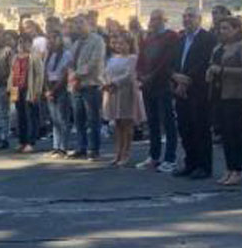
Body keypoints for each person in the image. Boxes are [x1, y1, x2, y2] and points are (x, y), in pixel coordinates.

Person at [207, 17, 242, 186]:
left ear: (236, 29)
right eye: (220, 28)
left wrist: (223, 70)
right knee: (225, 134)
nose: (222, 31)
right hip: (219, 93)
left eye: (226, 28)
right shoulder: (219, 47)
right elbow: (212, 64)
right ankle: (229, 168)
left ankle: (238, 169)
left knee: (235, 134)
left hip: (236, 95)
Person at [172, 7, 217, 179]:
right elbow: (174, 61)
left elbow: (204, 62)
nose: (187, 19)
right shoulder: (181, 39)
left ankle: (204, 166)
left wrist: (187, 80)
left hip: (198, 90)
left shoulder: (208, 38)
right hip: (180, 90)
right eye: (184, 16)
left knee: (200, 129)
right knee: (185, 129)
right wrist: (176, 77)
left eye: (190, 16)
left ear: (199, 19)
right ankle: (190, 163)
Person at [136, 10, 179, 172]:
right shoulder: (148, 38)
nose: (153, 22)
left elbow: (166, 60)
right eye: (152, 19)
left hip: (163, 84)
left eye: (157, 19)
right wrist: (140, 75)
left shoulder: (171, 36)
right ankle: (154, 156)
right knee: (152, 122)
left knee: (168, 122)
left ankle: (170, 158)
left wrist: (151, 76)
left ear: (164, 20)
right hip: (148, 86)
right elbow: (141, 59)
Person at [102, 32, 143, 166]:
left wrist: (114, 83)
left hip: (126, 92)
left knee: (127, 123)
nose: (120, 46)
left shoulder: (133, 58)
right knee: (118, 124)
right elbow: (106, 72)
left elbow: (129, 75)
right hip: (113, 93)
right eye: (118, 43)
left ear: (130, 44)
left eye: (123, 43)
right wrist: (106, 83)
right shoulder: (113, 58)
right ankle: (118, 152)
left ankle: (126, 153)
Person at [68, 16, 105, 160]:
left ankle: (93, 149)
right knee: (79, 119)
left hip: (91, 84)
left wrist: (76, 75)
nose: (78, 26)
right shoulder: (76, 43)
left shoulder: (97, 41)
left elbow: (94, 63)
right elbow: (70, 62)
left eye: (81, 23)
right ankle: (81, 147)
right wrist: (72, 76)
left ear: (88, 24)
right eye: (76, 24)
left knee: (93, 119)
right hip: (76, 86)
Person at [45, 31, 73, 157]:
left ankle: (63, 147)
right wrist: (47, 89)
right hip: (50, 86)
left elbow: (65, 73)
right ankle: (56, 146)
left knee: (62, 118)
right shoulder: (49, 54)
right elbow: (45, 71)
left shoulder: (66, 54)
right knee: (54, 119)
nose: (50, 41)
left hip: (60, 87)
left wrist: (54, 89)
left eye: (53, 38)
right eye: (49, 38)